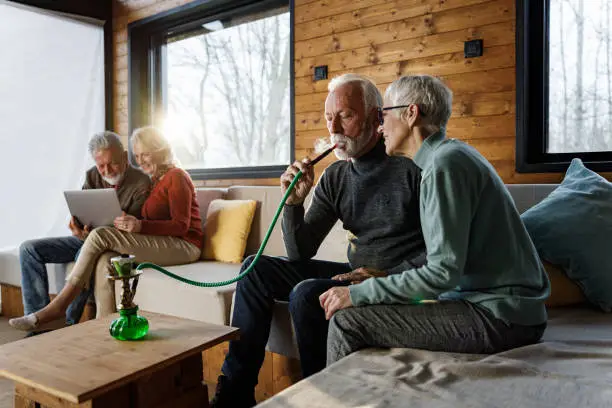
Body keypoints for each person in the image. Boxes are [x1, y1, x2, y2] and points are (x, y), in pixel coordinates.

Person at [210, 73, 426, 408]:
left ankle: (320, 397)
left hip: (393, 282)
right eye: (329, 118)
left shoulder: (411, 168)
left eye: (346, 116)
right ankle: (235, 394)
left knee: (307, 294)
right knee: (255, 267)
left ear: (375, 118)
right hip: (353, 274)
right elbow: (300, 251)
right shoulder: (336, 175)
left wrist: (386, 275)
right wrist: (294, 203)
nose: (334, 129)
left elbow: (440, 251)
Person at [321, 74, 550, 368]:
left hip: (500, 317)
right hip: (495, 307)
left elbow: (443, 273)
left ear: (411, 113)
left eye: (384, 114)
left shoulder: (444, 166)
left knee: (346, 322)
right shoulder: (449, 157)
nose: (380, 126)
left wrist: (358, 294)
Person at [10, 126, 203, 331]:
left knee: (100, 235)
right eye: (138, 155)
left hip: (185, 245)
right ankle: (103, 327)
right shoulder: (156, 180)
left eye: (145, 154)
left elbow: (181, 226)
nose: (141, 160)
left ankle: (59, 308)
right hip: (148, 240)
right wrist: (78, 226)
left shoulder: (175, 176)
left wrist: (139, 225)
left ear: (160, 150)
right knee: (105, 260)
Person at [17, 131, 151, 333]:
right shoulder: (92, 175)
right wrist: (78, 227)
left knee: (85, 255)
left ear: (124, 157)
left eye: (112, 163)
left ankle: (67, 321)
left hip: (113, 245)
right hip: (87, 238)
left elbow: (131, 233)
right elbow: (84, 210)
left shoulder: (141, 182)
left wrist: (92, 235)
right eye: (101, 165)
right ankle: (39, 324)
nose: (107, 170)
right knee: (28, 249)